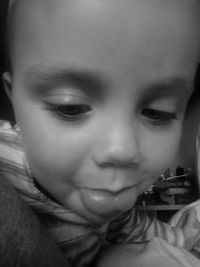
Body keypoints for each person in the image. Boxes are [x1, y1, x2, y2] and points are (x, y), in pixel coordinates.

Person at [1, 0, 200, 266]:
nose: (122, 148)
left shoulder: (114, 202)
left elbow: (131, 226)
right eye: (70, 107)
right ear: (12, 99)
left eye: (157, 112)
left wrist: (180, 237)